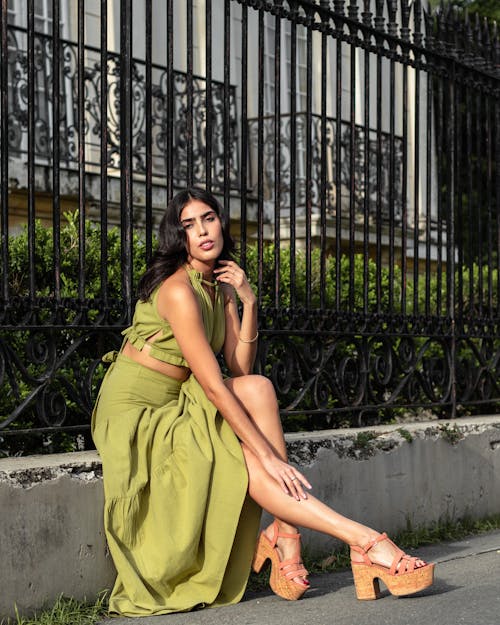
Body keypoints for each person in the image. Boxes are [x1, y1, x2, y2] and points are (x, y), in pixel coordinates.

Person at [92, 187, 434, 616]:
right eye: (189, 225)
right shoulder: (179, 290)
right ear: (178, 237)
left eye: (209, 218)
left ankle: (296, 535)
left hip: (180, 398)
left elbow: (239, 368)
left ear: (222, 223)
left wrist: (247, 299)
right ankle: (357, 541)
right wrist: (269, 456)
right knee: (251, 455)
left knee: (259, 388)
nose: (202, 231)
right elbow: (215, 385)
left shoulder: (219, 284)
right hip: (138, 409)